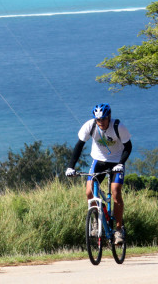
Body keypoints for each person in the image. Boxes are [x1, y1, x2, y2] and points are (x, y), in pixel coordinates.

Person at [65, 103, 132, 245]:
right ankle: (97, 221)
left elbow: (128, 147)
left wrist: (121, 163)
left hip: (116, 163)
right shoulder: (90, 126)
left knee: (115, 191)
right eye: (98, 120)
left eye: (103, 119)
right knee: (89, 192)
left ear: (109, 117)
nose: (100, 122)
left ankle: (119, 230)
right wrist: (70, 167)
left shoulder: (118, 127)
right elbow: (79, 146)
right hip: (98, 161)